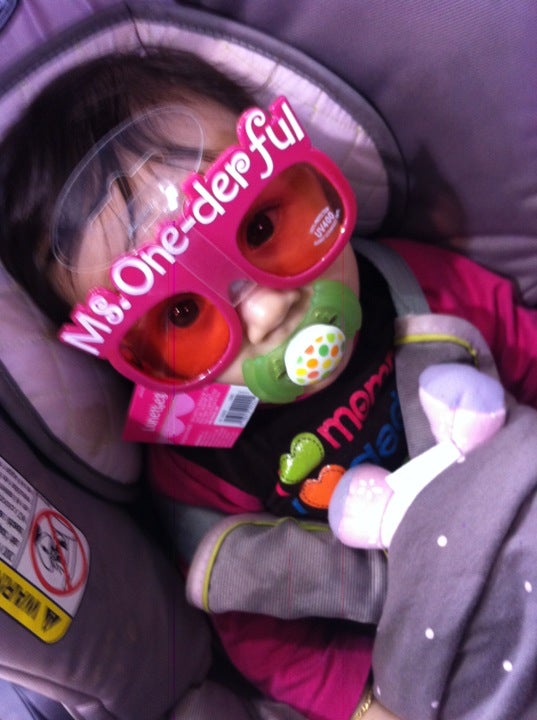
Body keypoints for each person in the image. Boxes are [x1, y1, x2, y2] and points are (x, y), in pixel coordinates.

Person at [2, 46, 537, 720]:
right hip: (416, 630)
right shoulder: (202, 475)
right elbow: (264, 629)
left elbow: (520, 349)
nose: (267, 310)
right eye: (182, 314)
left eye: (260, 228)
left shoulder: (409, 287)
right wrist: (364, 700)